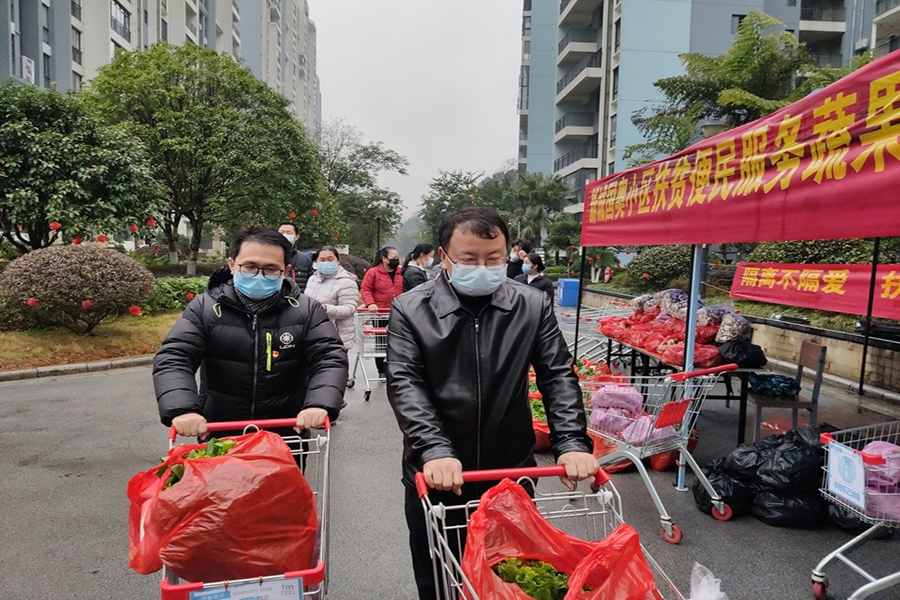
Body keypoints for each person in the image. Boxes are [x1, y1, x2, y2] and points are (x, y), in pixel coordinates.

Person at [385, 207, 596, 600]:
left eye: (494, 258)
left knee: (512, 577)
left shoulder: (532, 304)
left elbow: (557, 374)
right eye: (469, 259)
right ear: (444, 256)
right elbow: (405, 383)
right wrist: (434, 449)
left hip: (510, 472)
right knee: (440, 578)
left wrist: (570, 441)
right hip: (437, 474)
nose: (482, 268)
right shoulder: (411, 309)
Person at [153, 227, 348, 440]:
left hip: (286, 433)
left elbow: (329, 357)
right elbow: (175, 356)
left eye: (271, 269)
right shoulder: (205, 308)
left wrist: (319, 404)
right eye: (249, 266)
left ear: (285, 270)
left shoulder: (306, 310)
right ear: (231, 265)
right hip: (220, 433)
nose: (259, 275)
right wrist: (183, 408)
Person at [305, 245, 358, 352]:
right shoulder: (313, 279)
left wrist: (326, 309)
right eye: (322, 260)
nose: (326, 263)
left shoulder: (346, 281)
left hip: (336, 337)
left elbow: (350, 309)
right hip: (314, 335)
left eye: (330, 259)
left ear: (338, 261)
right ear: (316, 262)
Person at [361, 246, 404, 377]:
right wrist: (371, 303)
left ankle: (397, 368)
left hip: (398, 313)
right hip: (380, 313)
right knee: (381, 342)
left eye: (397, 258)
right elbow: (366, 289)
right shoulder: (373, 272)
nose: (396, 260)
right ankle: (382, 370)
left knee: (399, 341)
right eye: (393, 257)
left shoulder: (402, 272)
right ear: (384, 259)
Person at [277, 222, 312, 294]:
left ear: (296, 236)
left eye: (288, 233)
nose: (284, 235)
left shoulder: (304, 259)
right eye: (281, 232)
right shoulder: (269, 256)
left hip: (297, 298)